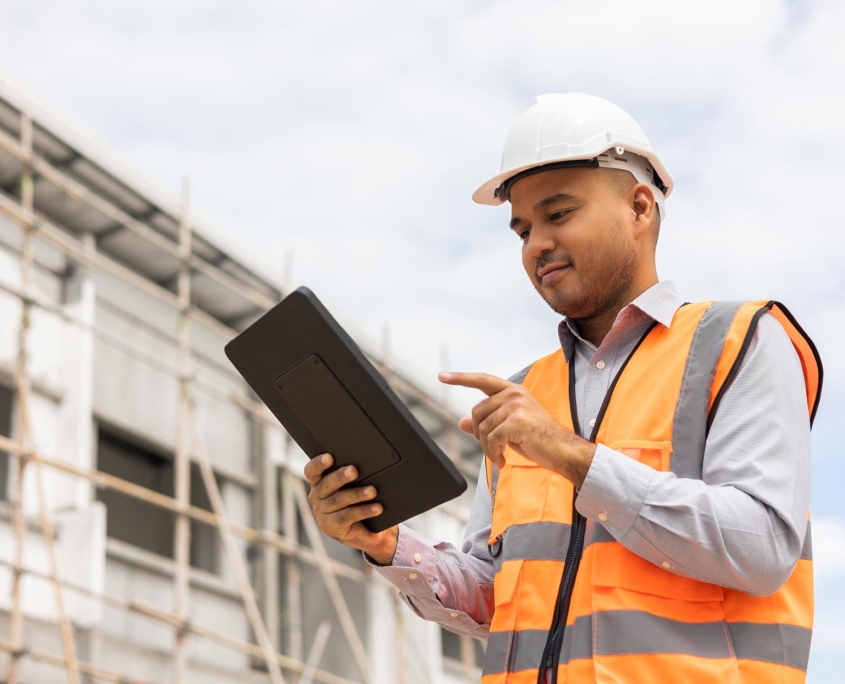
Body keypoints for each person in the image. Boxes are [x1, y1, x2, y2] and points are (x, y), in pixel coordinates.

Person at [304, 93, 822, 683]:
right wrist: (386, 544)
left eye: (558, 214)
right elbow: (500, 599)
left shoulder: (740, 342)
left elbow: (760, 549)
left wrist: (568, 454)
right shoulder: (528, 393)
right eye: (521, 228)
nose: (535, 245)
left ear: (639, 206)